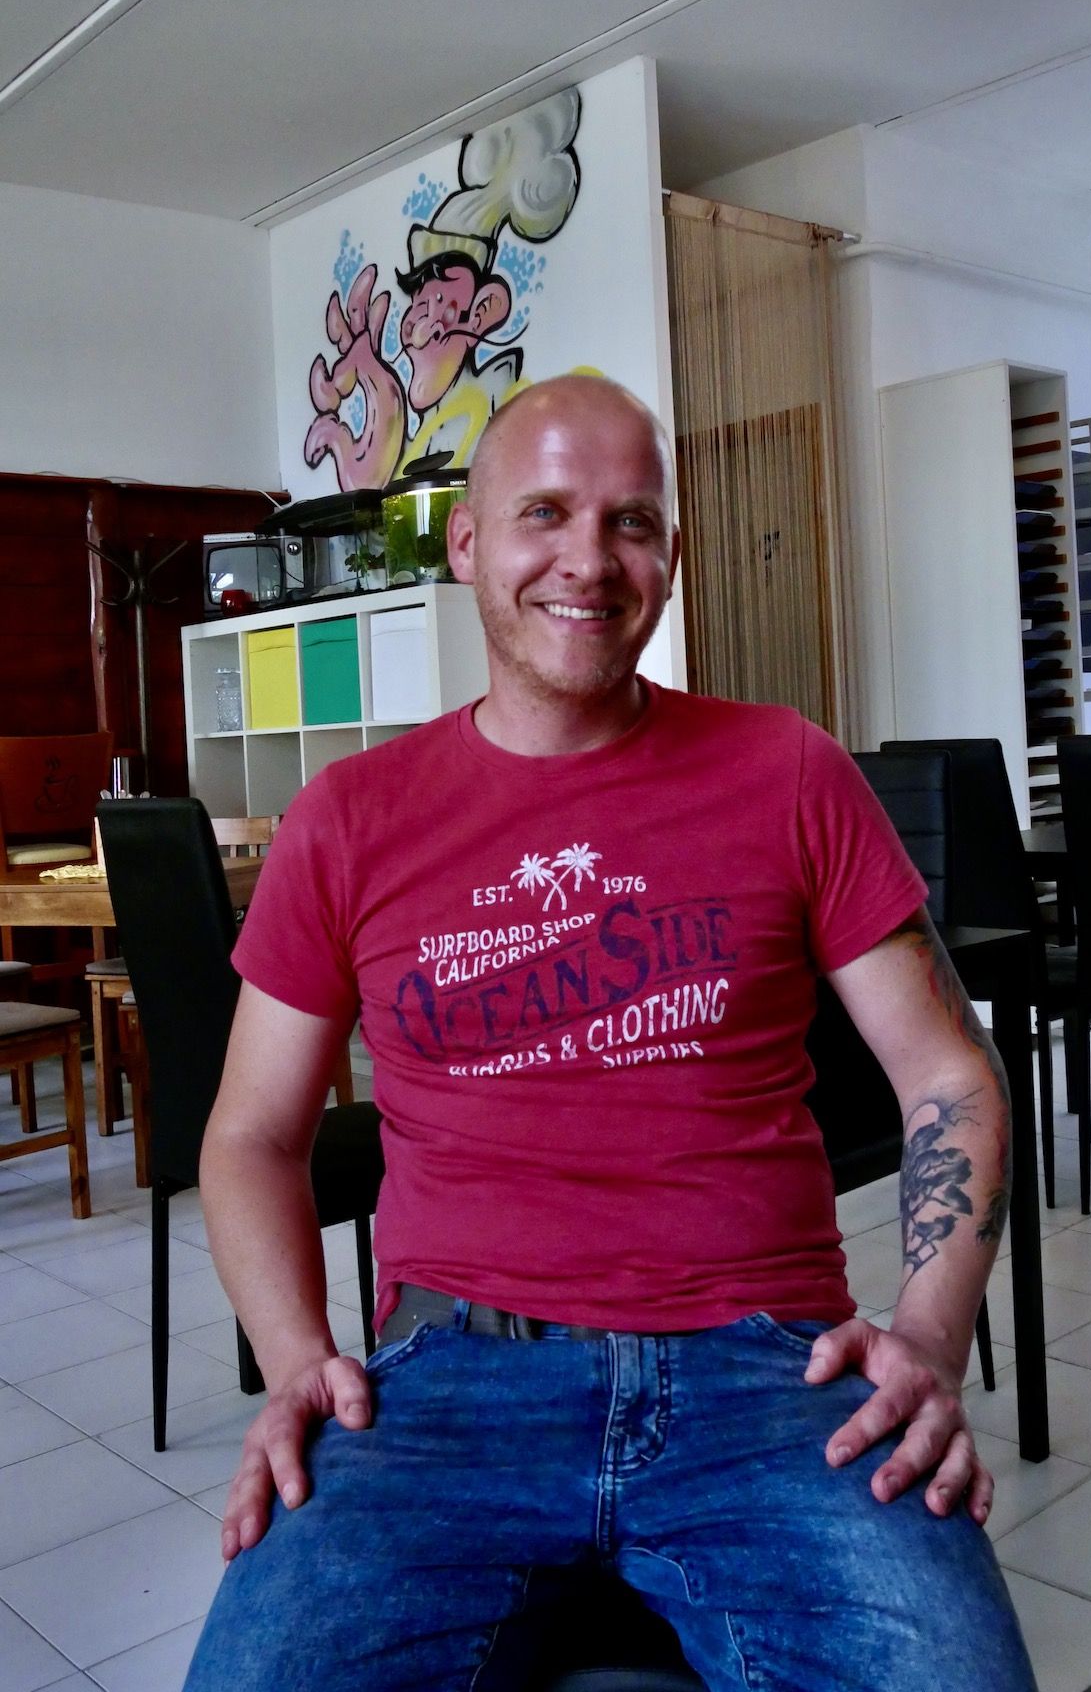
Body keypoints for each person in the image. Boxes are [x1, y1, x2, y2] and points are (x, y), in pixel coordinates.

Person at [186, 376, 1035, 1691]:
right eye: (545, 512)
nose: (589, 559)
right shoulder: (349, 818)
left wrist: (927, 1335)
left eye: (630, 521)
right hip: (449, 1393)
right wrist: (297, 1359)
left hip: (769, 1380)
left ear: (670, 558)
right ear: (468, 543)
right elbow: (250, 1134)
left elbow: (948, 1074)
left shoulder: (788, 770)